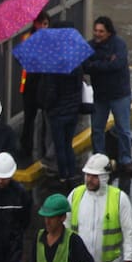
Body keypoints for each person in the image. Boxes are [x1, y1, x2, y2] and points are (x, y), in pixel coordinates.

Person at [83, 16, 132, 175]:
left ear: (109, 32)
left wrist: (96, 64)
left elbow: (117, 64)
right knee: (97, 129)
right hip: (100, 96)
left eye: (101, 31)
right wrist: (105, 61)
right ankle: (99, 159)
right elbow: (86, 67)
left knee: (123, 130)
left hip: (119, 95)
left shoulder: (119, 45)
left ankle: (126, 160)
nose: (97, 34)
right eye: (96, 31)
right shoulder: (90, 46)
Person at [37, 56, 83, 186]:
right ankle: (72, 173)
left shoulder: (54, 68)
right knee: (68, 144)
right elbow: (79, 87)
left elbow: (51, 93)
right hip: (72, 111)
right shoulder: (77, 66)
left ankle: (63, 175)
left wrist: (46, 106)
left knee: (59, 146)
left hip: (57, 113)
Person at [20, 10, 51, 160]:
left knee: (45, 119)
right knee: (29, 118)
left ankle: (44, 148)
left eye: (46, 24)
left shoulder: (51, 40)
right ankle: (26, 147)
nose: (44, 27)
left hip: (44, 83)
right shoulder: (27, 38)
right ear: (35, 23)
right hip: (30, 85)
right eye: (41, 23)